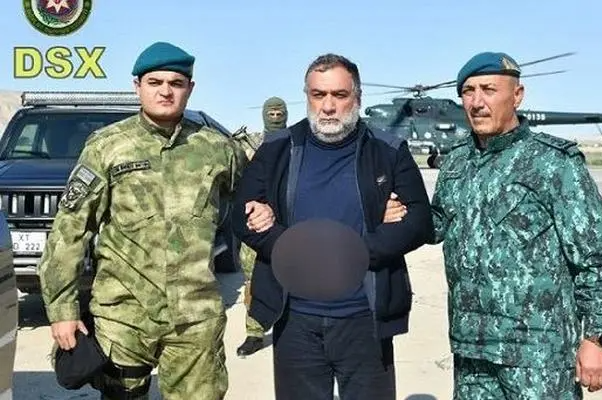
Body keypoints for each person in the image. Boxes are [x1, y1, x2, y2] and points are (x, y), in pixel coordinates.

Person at [386, 51, 602, 399]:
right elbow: (439, 224)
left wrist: (597, 338)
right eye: (468, 92)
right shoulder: (457, 161)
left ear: (517, 95)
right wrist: (399, 211)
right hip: (472, 348)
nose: (477, 102)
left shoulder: (554, 163)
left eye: (489, 90)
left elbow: (597, 258)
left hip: (538, 354)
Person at [37, 41, 257, 399]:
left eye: (176, 83)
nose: (165, 91)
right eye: (155, 82)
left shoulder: (218, 149)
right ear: (137, 86)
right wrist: (63, 309)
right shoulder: (107, 146)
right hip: (123, 316)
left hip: (195, 317)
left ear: (190, 88)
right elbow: (70, 230)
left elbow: (253, 205)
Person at [231, 53, 433, 399]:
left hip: (364, 319)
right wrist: (290, 247)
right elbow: (241, 214)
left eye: (339, 95)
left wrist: (357, 252)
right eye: (318, 94)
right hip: (295, 320)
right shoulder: (278, 149)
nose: (327, 106)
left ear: (357, 97)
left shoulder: (388, 150)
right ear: (307, 96)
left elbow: (419, 221)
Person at [236, 96, 289, 357]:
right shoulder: (249, 144)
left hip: (288, 219)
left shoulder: (297, 142)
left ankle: (290, 326)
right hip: (255, 224)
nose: (275, 117)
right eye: (271, 113)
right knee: (253, 279)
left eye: (279, 113)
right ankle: (254, 332)